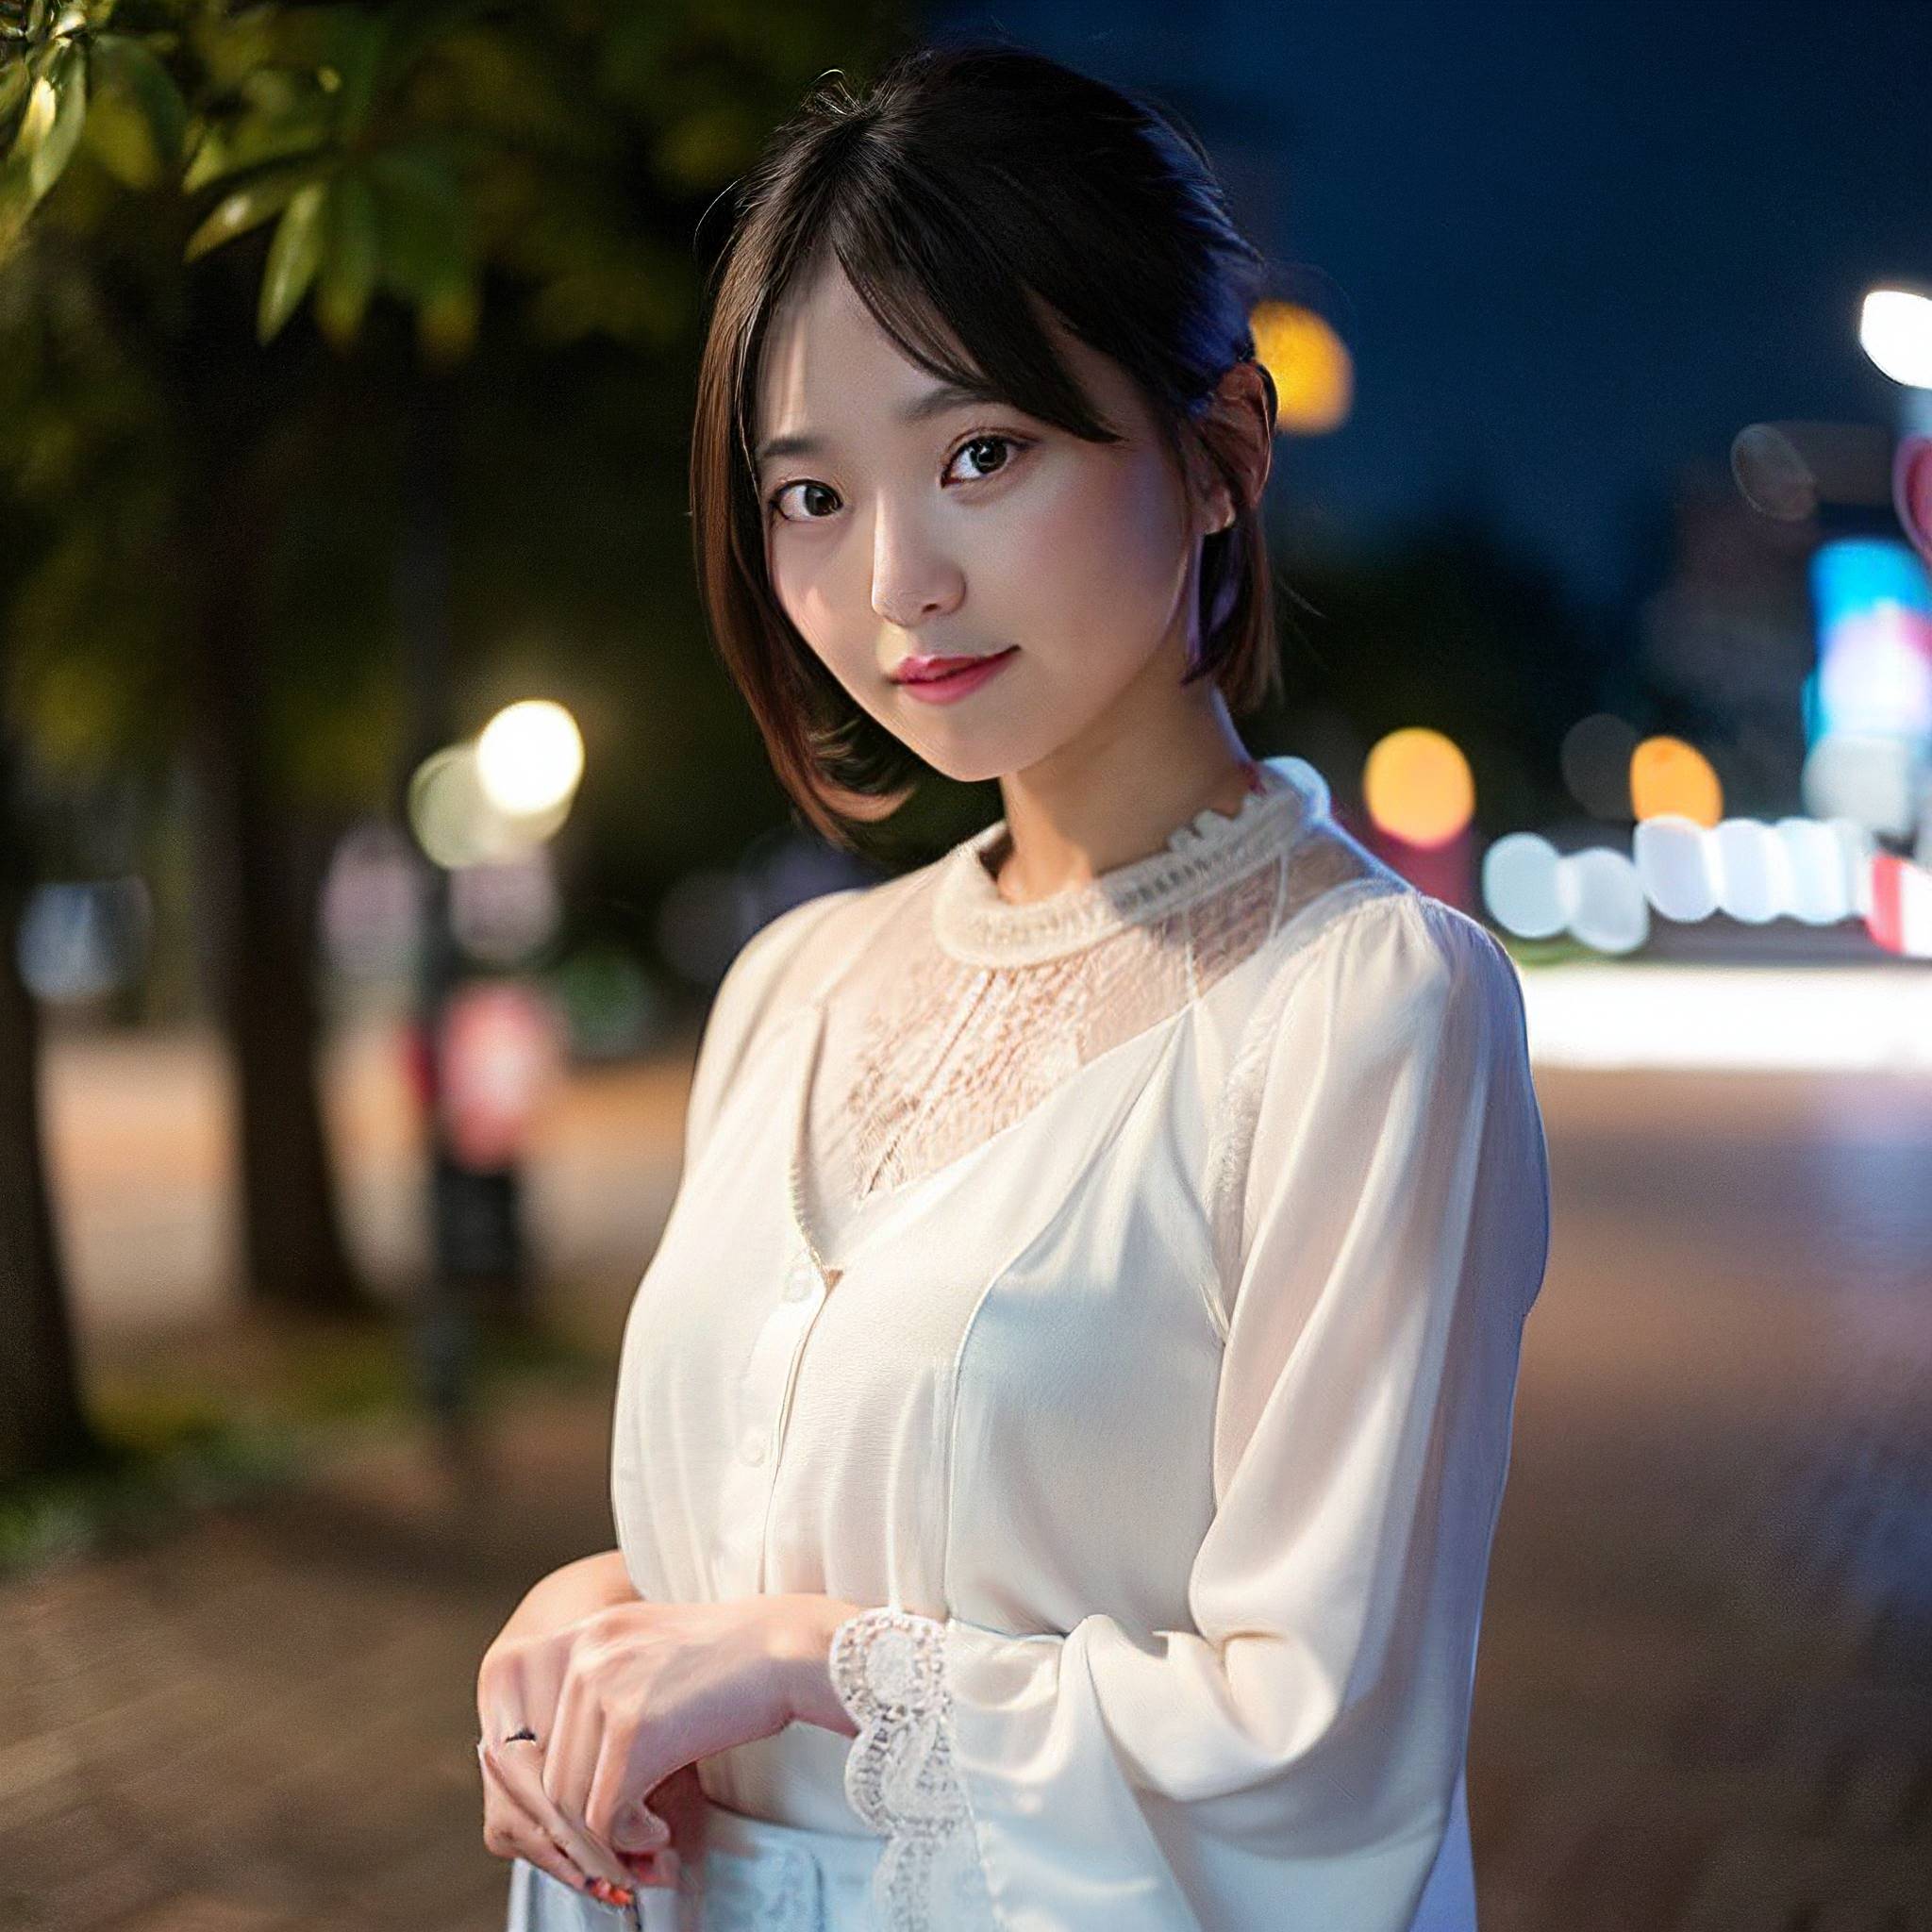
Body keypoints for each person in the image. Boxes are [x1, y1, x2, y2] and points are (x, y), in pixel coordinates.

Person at [478, 36, 1551, 1932]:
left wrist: (808, 1661)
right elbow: (782, 1516)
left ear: (1220, 451)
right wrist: (607, 1615)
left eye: (981, 453)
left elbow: (1325, 1745)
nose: (899, 580)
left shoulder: (1366, 1008)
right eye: (811, 496)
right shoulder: (795, 985)